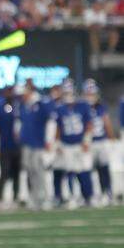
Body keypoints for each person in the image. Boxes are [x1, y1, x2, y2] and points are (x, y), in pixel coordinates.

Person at [53, 79, 93, 208]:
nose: (68, 96)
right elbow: (58, 127)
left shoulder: (83, 105)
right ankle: (72, 197)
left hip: (80, 144)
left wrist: (86, 140)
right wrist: (57, 143)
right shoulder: (60, 108)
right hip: (66, 144)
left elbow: (89, 124)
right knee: (70, 171)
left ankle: (88, 197)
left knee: (84, 171)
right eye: (66, 93)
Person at [18, 81, 54, 210]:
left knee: (40, 172)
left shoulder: (41, 104)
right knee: (30, 172)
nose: (22, 96)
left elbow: (51, 122)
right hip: (27, 143)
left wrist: (48, 140)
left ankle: (44, 198)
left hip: (39, 143)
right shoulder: (24, 105)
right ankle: (34, 198)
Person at [84, 79, 114, 205]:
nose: (91, 96)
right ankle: (91, 195)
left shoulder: (101, 107)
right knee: (87, 171)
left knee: (103, 168)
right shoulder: (82, 107)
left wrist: (111, 137)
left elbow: (106, 123)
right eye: (89, 94)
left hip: (101, 141)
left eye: (93, 94)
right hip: (88, 143)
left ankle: (106, 192)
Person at [0, 86, 22, 209]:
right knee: (4, 173)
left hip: (17, 146)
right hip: (5, 145)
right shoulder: (0, 107)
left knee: (16, 174)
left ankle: (15, 198)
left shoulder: (19, 106)